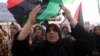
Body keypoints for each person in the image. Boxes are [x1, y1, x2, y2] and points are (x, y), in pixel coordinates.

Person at [11, 4, 95, 56]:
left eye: (55, 30)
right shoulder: (39, 48)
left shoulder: (68, 45)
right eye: (49, 30)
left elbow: (89, 43)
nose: (51, 32)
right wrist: (29, 23)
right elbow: (19, 52)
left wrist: (70, 18)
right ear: (46, 35)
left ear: (59, 33)